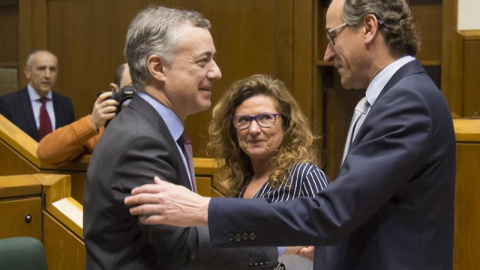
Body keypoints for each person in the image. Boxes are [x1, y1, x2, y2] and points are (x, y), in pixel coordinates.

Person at [124, 0, 457, 269]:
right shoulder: (397, 96)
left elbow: (332, 213)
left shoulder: (407, 100)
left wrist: (205, 209)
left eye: (332, 36)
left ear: (368, 28)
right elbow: (359, 215)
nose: (327, 54)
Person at [83, 6, 282, 270]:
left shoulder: (151, 128)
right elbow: (183, 246)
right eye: (203, 61)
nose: (216, 72)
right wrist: (277, 243)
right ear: (158, 67)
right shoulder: (139, 141)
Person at [208, 74, 330, 269]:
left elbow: (336, 239)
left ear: (286, 124)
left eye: (266, 118)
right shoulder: (241, 184)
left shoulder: (303, 175)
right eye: (244, 120)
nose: (254, 129)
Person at [36, 63, 131, 166]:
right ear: (114, 91)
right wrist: (92, 123)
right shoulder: (101, 134)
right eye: (134, 90)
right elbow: (45, 153)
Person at [0, 50, 75, 142]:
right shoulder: (8, 103)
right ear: (27, 72)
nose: (48, 75)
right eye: (41, 69)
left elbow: (71, 141)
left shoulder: (65, 104)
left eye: (52, 69)